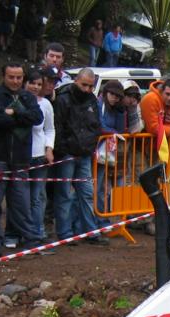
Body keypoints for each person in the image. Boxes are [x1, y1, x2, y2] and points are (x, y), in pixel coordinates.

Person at [0, 62, 43, 257]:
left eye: (19, 77)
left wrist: (15, 111)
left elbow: (37, 117)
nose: (15, 81)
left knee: (21, 201)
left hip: (20, 158)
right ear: (4, 76)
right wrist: (21, 116)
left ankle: (29, 238)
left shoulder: (27, 96)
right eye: (11, 77)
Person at [52, 68, 101, 241]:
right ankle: (65, 233)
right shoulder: (63, 99)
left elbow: (96, 125)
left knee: (86, 193)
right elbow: (58, 126)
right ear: (76, 81)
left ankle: (90, 231)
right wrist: (63, 149)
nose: (87, 89)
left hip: (85, 153)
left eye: (90, 86)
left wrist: (89, 146)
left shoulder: (92, 100)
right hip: (67, 154)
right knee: (64, 194)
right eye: (84, 85)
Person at [94, 79, 127, 239]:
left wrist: (121, 110)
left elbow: (121, 129)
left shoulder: (115, 109)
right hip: (96, 151)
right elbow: (99, 126)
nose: (115, 98)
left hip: (109, 153)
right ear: (105, 92)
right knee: (95, 188)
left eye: (118, 96)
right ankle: (95, 221)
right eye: (112, 94)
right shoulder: (98, 105)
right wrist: (112, 133)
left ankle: (102, 220)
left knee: (104, 188)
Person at [24, 69, 54, 241]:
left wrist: (49, 148)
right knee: (21, 197)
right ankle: (21, 232)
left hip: (39, 156)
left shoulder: (46, 104)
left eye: (39, 84)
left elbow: (50, 129)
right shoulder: (18, 100)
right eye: (32, 83)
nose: (35, 87)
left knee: (38, 197)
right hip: (21, 157)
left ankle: (38, 231)